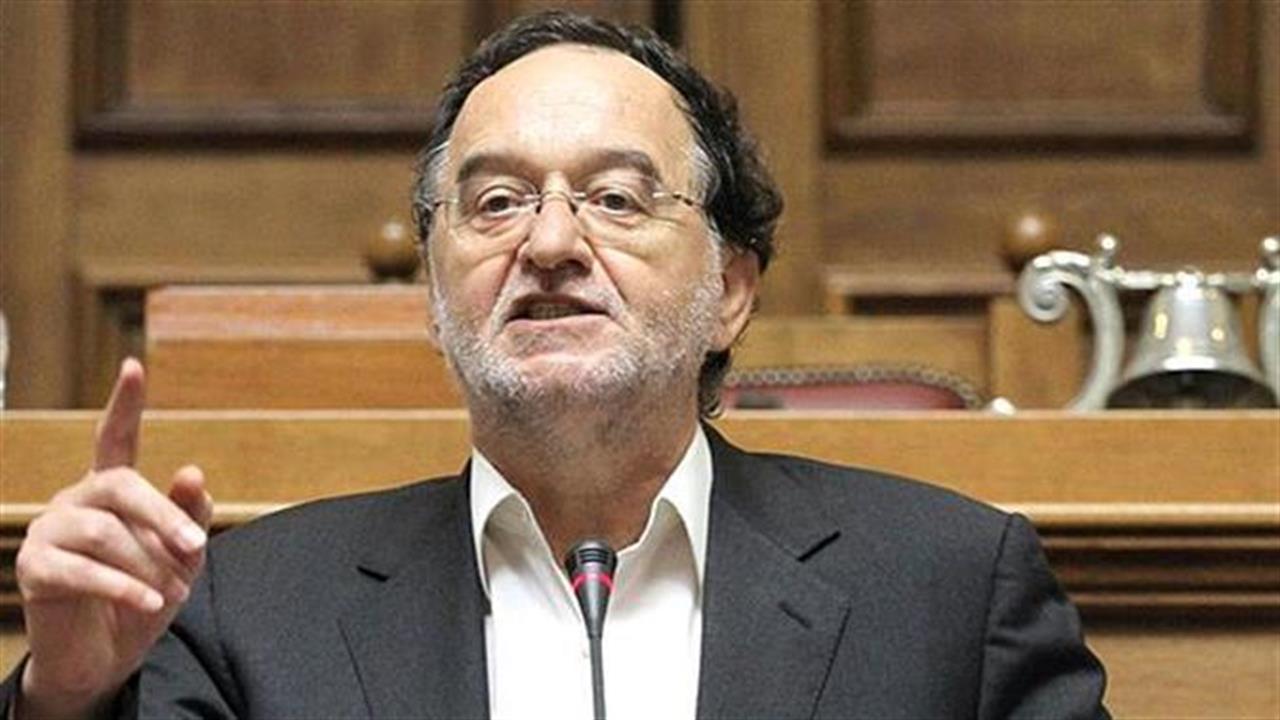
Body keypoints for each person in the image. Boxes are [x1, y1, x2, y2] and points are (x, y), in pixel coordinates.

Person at [2, 11, 1108, 720]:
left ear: (729, 290)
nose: (548, 242)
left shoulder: (948, 589)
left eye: (616, 198)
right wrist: (65, 701)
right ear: (435, 297)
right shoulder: (247, 611)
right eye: (495, 202)